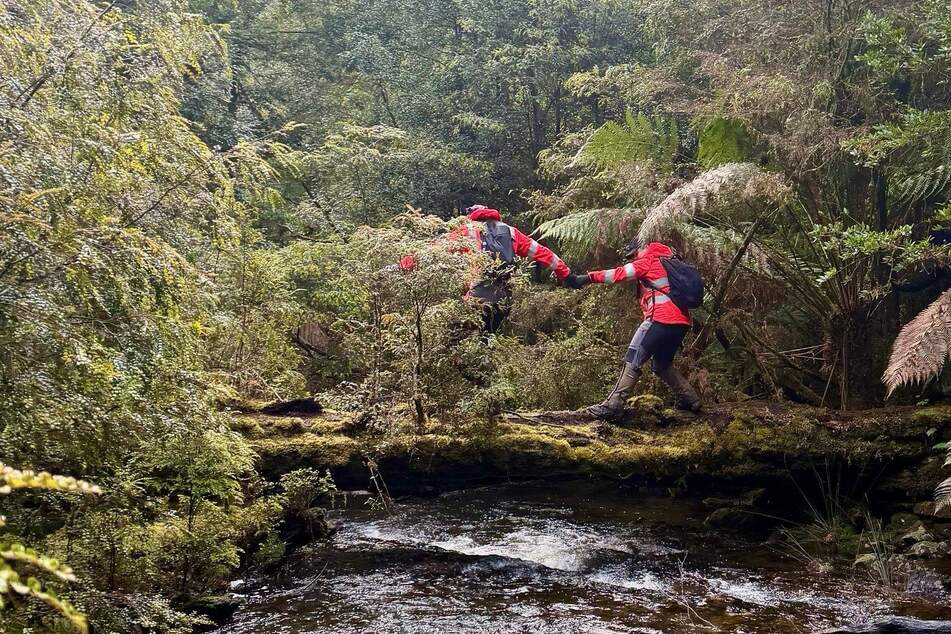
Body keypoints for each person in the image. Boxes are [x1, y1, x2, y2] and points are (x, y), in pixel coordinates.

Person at [566, 239, 701, 418]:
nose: (633, 259)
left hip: (659, 319)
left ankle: (613, 405)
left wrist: (586, 278)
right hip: (681, 323)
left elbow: (617, 274)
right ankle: (691, 400)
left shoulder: (649, 260)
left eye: (634, 254)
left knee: (633, 357)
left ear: (642, 248)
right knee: (661, 364)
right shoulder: (670, 262)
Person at [399, 205, 572, 333]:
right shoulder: (511, 232)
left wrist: (403, 265)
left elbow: (432, 250)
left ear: (471, 216)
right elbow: (543, 253)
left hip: (477, 295)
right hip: (504, 297)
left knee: (455, 338)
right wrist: (564, 272)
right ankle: (487, 378)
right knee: (488, 337)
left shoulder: (466, 231)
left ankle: (471, 377)